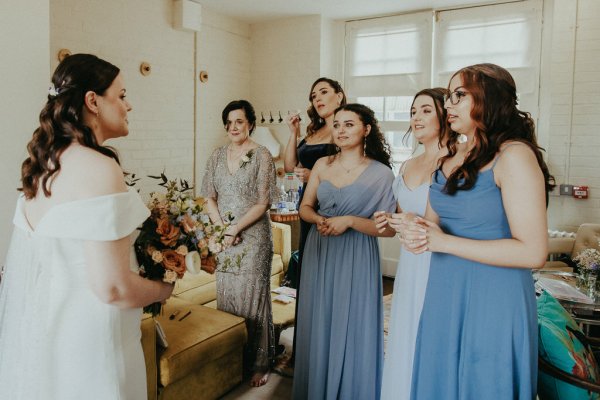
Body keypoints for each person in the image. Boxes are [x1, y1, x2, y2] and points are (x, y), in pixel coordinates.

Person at [0, 53, 174, 399]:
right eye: (121, 95)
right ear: (93, 101)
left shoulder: (42, 166)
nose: (129, 106)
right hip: (95, 342)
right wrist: (163, 289)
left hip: (52, 336)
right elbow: (113, 288)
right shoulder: (98, 167)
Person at [404, 64, 554, 399]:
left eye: (459, 95)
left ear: (488, 98)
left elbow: (533, 252)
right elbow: (432, 224)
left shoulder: (514, 155)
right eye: (449, 96)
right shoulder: (450, 155)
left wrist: (443, 241)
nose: (449, 105)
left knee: (483, 381)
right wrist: (412, 231)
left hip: (494, 297)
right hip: (444, 291)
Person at [293, 103, 397, 399]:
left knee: (353, 320)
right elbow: (305, 208)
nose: (340, 130)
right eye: (337, 125)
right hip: (320, 249)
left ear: (366, 129)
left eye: (349, 124)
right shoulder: (322, 165)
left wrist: (350, 221)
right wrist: (320, 220)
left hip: (357, 253)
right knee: (319, 318)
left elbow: (388, 228)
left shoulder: (382, 174)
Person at [375, 88, 450, 400]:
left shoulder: (459, 161)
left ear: (445, 114)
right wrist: (387, 221)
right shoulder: (407, 166)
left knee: (435, 337)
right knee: (406, 335)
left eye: (425, 111)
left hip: (442, 263)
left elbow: (453, 223)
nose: (416, 118)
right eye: (412, 112)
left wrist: (414, 225)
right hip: (410, 265)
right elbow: (401, 220)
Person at [200, 99, 277, 387]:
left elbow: (263, 201)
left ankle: (259, 362)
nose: (234, 127)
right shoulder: (216, 156)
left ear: (250, 124)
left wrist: (235, 228)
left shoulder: (262, 155)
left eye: (239, 121)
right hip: (225, 239)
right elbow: (209, 196)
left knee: (252, 297)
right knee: (228, 295)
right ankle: (233, 360)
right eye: (229, 122)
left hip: (253, 237)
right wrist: (222, 230)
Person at [279, 77, 346, 375]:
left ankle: (331, 349)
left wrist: (317, 177)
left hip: (333, 209)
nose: (318, 98)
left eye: (324, 92)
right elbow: (290, 167)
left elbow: (353, 170)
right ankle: (303, 349)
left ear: (340, 96)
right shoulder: (315, 130)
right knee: (308, 277)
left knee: (332, 279)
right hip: (308, 209)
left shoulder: (346, 128)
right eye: (313, 95)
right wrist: (293, 133)